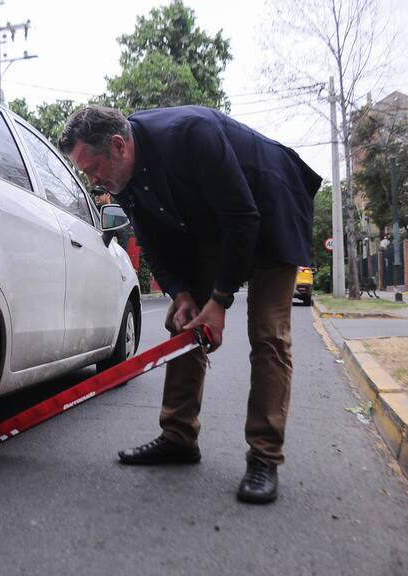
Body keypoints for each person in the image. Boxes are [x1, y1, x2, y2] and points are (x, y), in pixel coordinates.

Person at [58, 106, 321, 504]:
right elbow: (151, 240)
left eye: (93, 169)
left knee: (268, 334)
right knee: (182, 321)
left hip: (269, 211)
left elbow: (243, 219)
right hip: (215, 226)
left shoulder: (190, 135)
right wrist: (182, 294)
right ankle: (178, 436)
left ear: (117, 146)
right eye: (87, 174)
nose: (94, 181)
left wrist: (218, 301)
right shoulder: (121, 175)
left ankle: (264, 457)